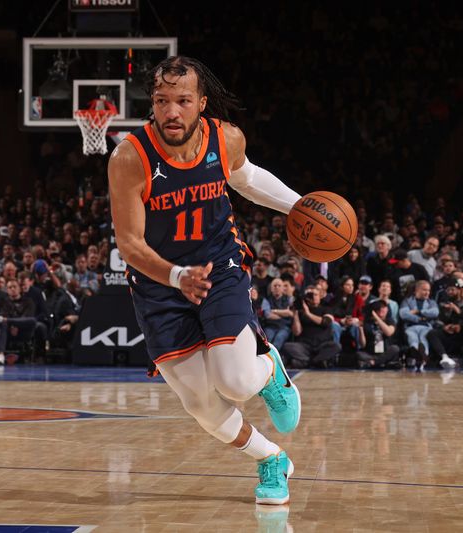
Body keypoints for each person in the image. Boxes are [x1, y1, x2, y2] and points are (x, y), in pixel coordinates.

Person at [108, 56, 302, 505]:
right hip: (160, 284)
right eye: (161, 101)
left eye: (182, 101)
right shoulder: (129, 157)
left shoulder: (225, 137)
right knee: (201, 405)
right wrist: (176, 277)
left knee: (234, 380)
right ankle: (271, 459)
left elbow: (246, 179)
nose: (171, 111)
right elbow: (130, 245)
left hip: (219, 266)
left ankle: (269, 368)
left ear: (201, 103)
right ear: (151, 104)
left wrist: (299, 206)